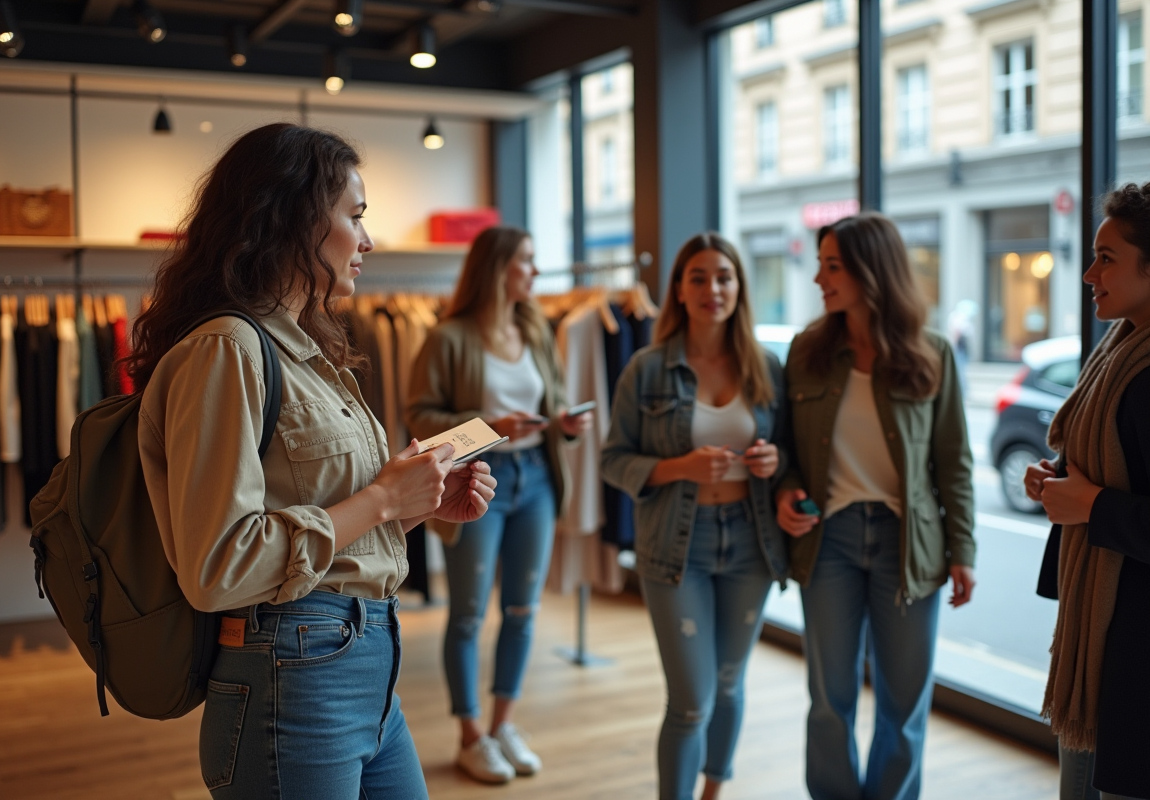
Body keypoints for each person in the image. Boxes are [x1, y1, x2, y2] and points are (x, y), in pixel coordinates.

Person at [131, 123, 497, 800]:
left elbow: (322, 534)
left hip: (363, 666)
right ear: (293, 218)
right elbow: (220, 568)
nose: (369, 241)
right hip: (293, 673)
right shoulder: (228, 351)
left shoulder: (306, 351)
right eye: (354, 216)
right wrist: (383, 500)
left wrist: (411, 509)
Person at [775, 212, 976, 800]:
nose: (818, 278)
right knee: (829, 701)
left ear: (872, 269)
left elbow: (954, 463)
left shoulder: (932, 353)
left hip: (907, 546)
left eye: (832, 266)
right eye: (820, 264)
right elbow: (784, 448)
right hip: (829, 542)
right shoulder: (806, 352)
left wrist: (963, 550)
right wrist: (787, 490)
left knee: (904, 704)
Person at [601, 232, 789, 800]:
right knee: (691, 701)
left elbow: (791, 458)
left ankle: (714, 790)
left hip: (752, 541)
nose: (713, 289)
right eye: (699, 278)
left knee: (729, 684)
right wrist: (679, 467)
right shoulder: (648, 368)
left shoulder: (768, 366)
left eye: (724, 277)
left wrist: (774, 461)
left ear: (739, 287)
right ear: (680, 290)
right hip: (676, 547)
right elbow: (614, 461)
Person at [405, 226, 593, 784]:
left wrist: (562, 422)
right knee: (467, 613)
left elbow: (549, 400)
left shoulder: (534, 328)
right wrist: (492, 428)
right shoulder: (449, 337)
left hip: (535, 477)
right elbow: (420, 418)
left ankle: (504, 723)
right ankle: (471, 735)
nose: (535, 272)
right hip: (477, 480)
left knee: (522, 609)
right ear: (497, 269)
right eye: (527, 262)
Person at [1025, 183, 1150, 800]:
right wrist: (1060, 479)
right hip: (1104, 631)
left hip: (1135, 651)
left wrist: (1093, 505)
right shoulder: (1123, 347)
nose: (1089, 273)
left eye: (1108, 257)